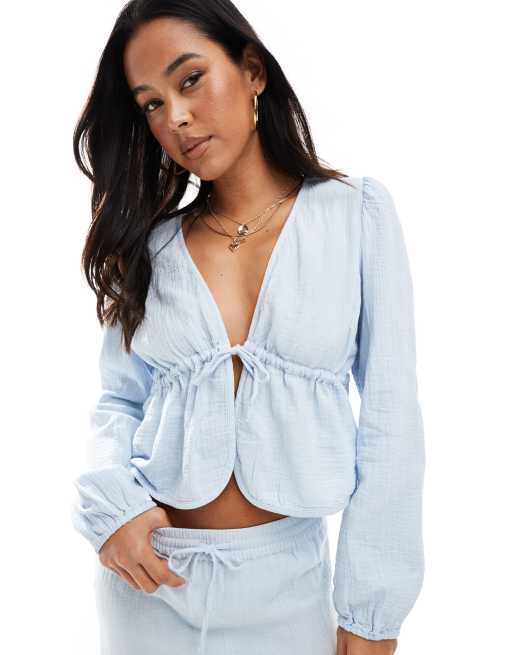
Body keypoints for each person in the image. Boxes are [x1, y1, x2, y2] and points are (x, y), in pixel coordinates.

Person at [70, 1, 425, 654]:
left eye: (190, 79)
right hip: (149, 583)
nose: (176, 117)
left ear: (253, 71)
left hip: (288, 586)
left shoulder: (355, 215)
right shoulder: (148, 246)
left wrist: (372, 612)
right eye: (151, 104)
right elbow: (118, 401)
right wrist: (113, 509)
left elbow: (390, 415)